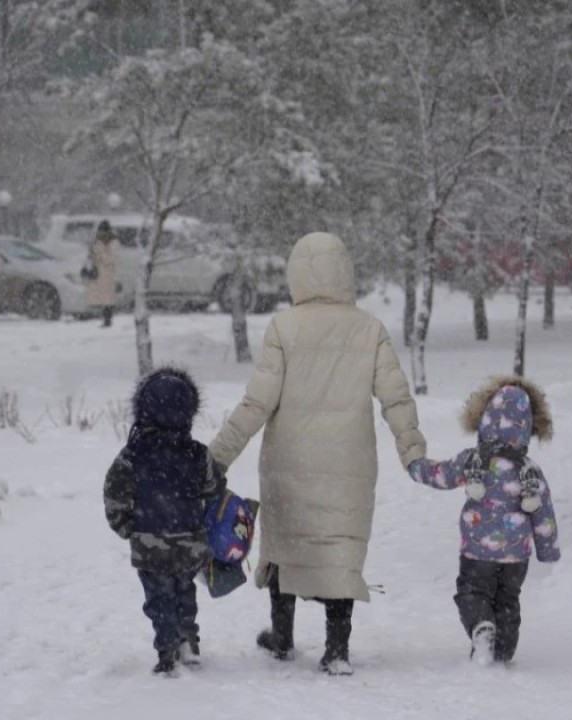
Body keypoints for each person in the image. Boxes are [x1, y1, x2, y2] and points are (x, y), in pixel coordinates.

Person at [208, 231, 426, 676]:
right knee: (339, 550)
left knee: (286, 543)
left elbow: (257, 402)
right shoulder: (368, 328)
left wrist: (215, 457)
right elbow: (396, 398)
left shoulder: (284, 327)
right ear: (345, 271)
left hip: (292, 462)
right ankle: (337, 649)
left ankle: (282, 637)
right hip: (350, 462)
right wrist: (412, 451)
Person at [406, 375, 560, 666]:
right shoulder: (530, 470)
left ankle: (480, 626)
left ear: (484, 418)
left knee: (472, 592)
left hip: (478, 551)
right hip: (516, 556)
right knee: (508, 600)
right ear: (528, 426)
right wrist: (547, 548)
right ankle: (503, 651)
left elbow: (441, 474)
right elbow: (544, 513)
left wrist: (416, 467)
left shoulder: (472, 460)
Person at [103, 367, 226, 677]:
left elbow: (114, 493)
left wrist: (126, 526)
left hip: (149, 544)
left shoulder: (133, 455)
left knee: (159, 598)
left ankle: (167, 650)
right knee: (185, 592)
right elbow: (213, 489)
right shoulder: (197, 454)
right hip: (189, 542)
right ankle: (189, 640)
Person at [85, 220, 118, 327]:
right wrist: (93, 254)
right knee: (103, 298)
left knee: (107, 299)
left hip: (108, 274)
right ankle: (105, 319)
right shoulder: (98, 242)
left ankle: (107, 320)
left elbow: (110, 259)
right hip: (100, 274)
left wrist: (100, 251)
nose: (101, 234)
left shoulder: (113, 243)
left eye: (103, 232)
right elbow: (95, 258)